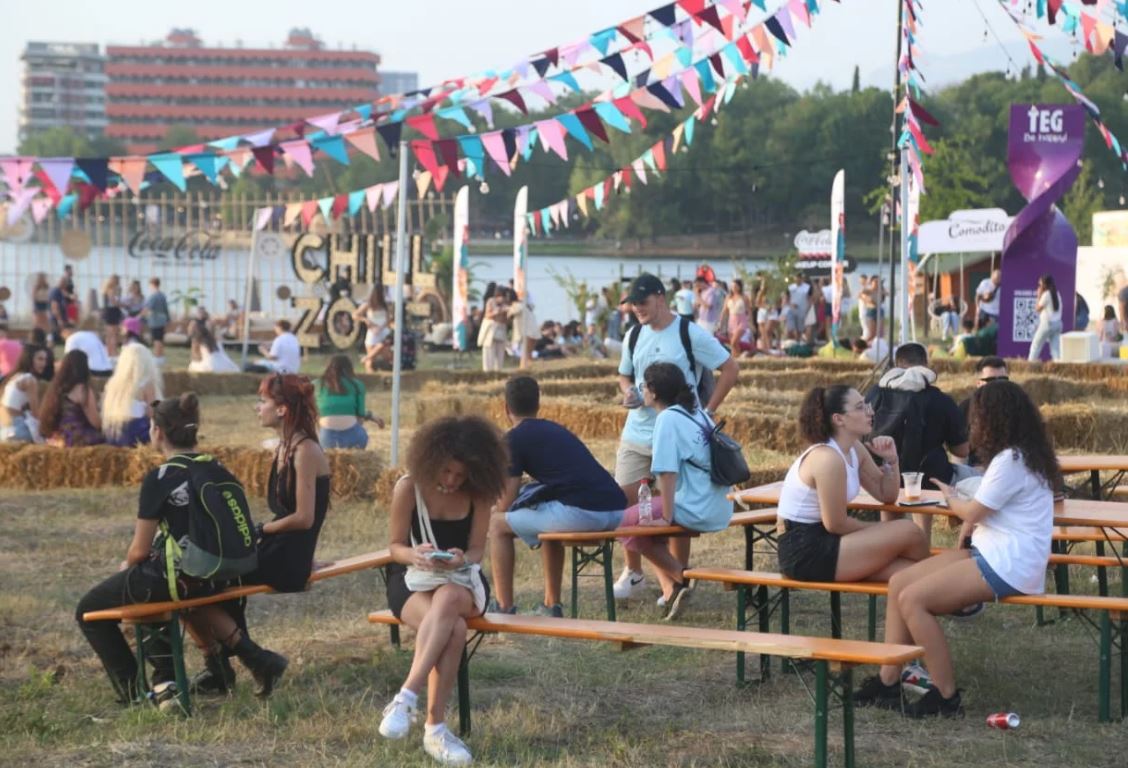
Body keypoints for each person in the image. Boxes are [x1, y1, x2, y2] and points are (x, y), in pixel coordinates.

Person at [855, 381, 1061, 717]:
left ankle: (945, 696)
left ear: (994, 418)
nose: (973, 424)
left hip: (1008, 562)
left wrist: (951, 496)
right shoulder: (1023, 455)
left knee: (914, 600)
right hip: (995, 551)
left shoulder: (1010, 460)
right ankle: (888, 681)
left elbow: (972, 513)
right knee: (899, 583)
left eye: (977, 417)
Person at [74, 394, 229, 704]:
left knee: (89, 610)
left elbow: (139, 550)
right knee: (145, 585)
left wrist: (128, 566)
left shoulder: (160, 477)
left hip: (180, 577)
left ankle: (134, 694)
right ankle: (165, 681)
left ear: (157, 432)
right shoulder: (216, 467)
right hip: (216, 573)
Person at [186, 374, 329, 697]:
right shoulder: (285, 448)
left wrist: (260, 530)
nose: (257, 407)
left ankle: (241, 663)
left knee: (197, 584)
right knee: (196, 579)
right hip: (278, 549)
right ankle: (244, 662)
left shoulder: (305, 451)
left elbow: (304, 519)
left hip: (286, 560)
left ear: (282, 409)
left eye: (262, 401)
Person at [379, 416, 508, 765]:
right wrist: (414, 555)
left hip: (462, 579)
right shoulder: (408, 487)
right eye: (446, 471)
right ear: (431, 459)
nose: (451, 480)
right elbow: (394, 547)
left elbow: (477, 551)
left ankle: (406, 697)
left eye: (460, 475)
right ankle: (435, 730)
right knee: (454, 628)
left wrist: (461, 558)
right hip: (412, 578)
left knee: (449, 597)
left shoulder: (479, 494)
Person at [613, 274, 738, 601]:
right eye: (633, 304)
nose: (637, 309)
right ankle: (635, 573)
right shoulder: (633, 334)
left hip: (676, 434)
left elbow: (730, 368)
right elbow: (625, 375)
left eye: (642, 302)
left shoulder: (688, 332)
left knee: (673, 507)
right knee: (627, 501)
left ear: (661, 298)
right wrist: (628, 392)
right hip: (637, 431)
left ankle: (676, 578)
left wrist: (708, 411)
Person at [488, 376, 626, 616]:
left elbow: (506, 501)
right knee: (546, 510)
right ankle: (552, 605)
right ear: (538, 404)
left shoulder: (513, 439)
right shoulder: (555, 429)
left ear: (506, 408)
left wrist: (490, 511)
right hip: (616, 511)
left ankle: (503, 606)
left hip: (584, 513)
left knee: (497, 524)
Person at [778, 385, 929, 585]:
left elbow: (886, 494)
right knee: (909, 531)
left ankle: (936, 590)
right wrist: (883, 531)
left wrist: (891, 460)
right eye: (860, 407)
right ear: (838, 419)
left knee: (913, 571)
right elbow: (836, 524)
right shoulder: (827, 458)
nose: (870, 411)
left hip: (829, 539)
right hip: (804, 549)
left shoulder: (854, 448)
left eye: (866, 404)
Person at [618, 362, 734, 618]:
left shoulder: (667, 419)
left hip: (695, 505)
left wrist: (666, 517)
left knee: (623, 522)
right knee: (644, 525)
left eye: (643, 386)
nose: (641, 391)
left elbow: (667, 473)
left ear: (654, 391)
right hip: (719, 504)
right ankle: (672, 589)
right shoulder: (697, 413)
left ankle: (681, 577)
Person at [865, 343, 968, 545]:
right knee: (966, 477)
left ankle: (889, 545)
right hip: (929, 477)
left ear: (896, 364)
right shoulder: (941, 399)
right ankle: (922, 546)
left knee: (890, 511)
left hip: (882, 474)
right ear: (926, 365)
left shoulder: (875, 393)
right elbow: (962, 450)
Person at [39, 349, 105, 446]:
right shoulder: (82, 389)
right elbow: (96, 423)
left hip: (59, 437)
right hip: (78, 438)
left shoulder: (56, 389)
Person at [101, 344, 162, 447]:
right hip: (136, 433)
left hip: (113, 432)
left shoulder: (113, 383)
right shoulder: (146, 384)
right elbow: (152, 413)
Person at [316, 354, 382, 448]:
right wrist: (371, 416)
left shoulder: (317, 385)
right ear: (350, 368)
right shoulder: (357, 385)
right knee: (361, 431)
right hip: (353, 438)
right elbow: (360, 416)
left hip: (325, 437)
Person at [0, 343, 49, 442]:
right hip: (16, 428)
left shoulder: (15, 376)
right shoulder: (30, 379)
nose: (44, 364)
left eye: (45, 360)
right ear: (29, 359)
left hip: (4, 426)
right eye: (40, 359)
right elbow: (36, 413)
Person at [354, 287, 391, 373]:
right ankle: (370, 373)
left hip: (383, 331)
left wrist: (382, 327)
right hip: (372, 332)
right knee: (371, 357)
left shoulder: (385, 305)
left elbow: (388, 319)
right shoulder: (368, 304)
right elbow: (355, 315)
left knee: (387, 355)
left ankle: (385, 372)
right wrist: (365, 320)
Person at [1028, 273, 1063, 362]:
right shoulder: (1057, 293)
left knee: (1035, 345)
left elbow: (1037, 309)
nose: (1039, 287)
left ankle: (1030, 365)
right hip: (1058, 324)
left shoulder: (1046, 294)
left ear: (1045, 284)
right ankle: (1059, 366)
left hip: (1048, 324)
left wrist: (1038, 296)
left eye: (1040, 284)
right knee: (1055, 349)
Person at [478, 288, 509, 372]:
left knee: (500, 354)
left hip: (501, 330)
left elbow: (506, 320)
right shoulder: (491, 301)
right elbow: (487, 315)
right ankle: (488, 371)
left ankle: (498, 371)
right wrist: (498, 311)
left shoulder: (506, 304)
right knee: (488, 354)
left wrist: (506, 312)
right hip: (491, 330)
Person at [507, 288, 539, 370]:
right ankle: (528, 369)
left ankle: (524, 370)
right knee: (528, 354)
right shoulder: (523, 304)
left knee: (525, 354)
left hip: (528, 332)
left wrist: (505, 309)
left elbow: (510, 314)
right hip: (532, 331)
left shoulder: (517, 306)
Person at [142, 278, 170, 360]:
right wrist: (168, 319)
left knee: (156, 339)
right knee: (160, 339)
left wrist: (139, 316)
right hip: (162, 320)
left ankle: (157, 356)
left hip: (155, 320)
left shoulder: (153, 296)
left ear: (152, 285)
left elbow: (148, 308)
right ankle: (161, 356)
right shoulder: (162, 295)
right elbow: (166, 309)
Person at [724, 279, 750, 351]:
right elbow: (724, 310)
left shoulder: (744, 297)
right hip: (731, 321)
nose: (734, 288)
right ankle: (736, 356)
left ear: (740, 287)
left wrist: (750, 323)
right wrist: (721, 322)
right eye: (732, 286)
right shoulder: (728, 297)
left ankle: (736, 356)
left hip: (741, 320)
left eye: (735, 286)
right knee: (734, 344)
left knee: (733, 342)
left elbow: (749, 310)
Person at [101, 275, 123, 359]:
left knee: (109, 334)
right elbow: (114, 302)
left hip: (109, 312)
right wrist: (123, 304)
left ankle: (109, 352)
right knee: (113, 334)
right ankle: (113, 352)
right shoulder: (112, 290)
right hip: (112, 312)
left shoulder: (106, 289)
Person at [47, 275, 72, 344]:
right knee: (55, 337)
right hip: (56, 320)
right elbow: (54, 307)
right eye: (66, 284)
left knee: (57, 337)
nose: (66, 286)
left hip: (58, 319)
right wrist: (59, 320)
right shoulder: (56, 291)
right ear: (62, 283)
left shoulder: (60, 292)